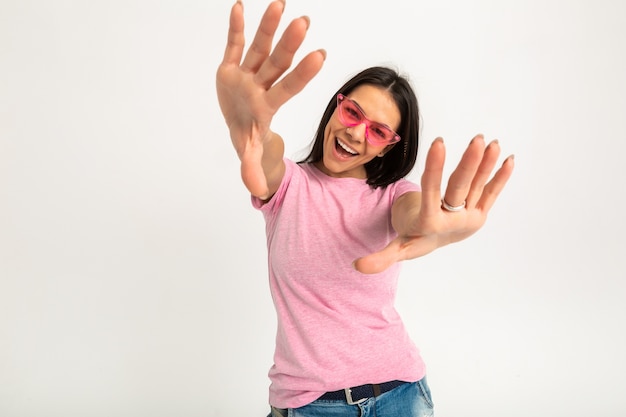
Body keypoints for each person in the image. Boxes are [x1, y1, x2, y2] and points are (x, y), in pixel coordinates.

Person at [216, 1, 514, 416]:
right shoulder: (290, 186)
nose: (356, 133)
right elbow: (268, 155)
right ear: (337, 106)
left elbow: (412, 213)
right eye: (353, 112)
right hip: (312, 405)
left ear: (392, 146)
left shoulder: (393, 195)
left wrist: (435, 218)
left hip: (401, 395)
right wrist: (251, 129)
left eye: (378, 131)